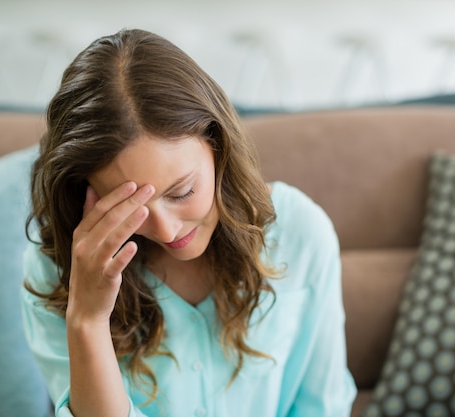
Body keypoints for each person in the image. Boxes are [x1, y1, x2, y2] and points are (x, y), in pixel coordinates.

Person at [21, 28, 356, 417]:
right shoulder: (55, 266)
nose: (166, 231)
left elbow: (323, 405)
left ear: (218, 147)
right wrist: (88, 321)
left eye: (181, 192)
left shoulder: (300, 231)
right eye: (131, 207)